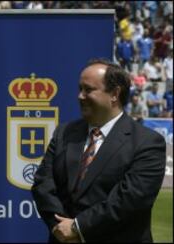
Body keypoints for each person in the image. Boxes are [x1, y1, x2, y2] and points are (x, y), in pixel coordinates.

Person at [32, 59, 166, 243]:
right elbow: (43, 184)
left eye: (88, 90)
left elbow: (130, 201)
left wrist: (78, 228)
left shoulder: (147, 142)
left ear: (114, 94)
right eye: (80, 89)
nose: (80, 96)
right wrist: (60, 227)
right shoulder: (64, 133)